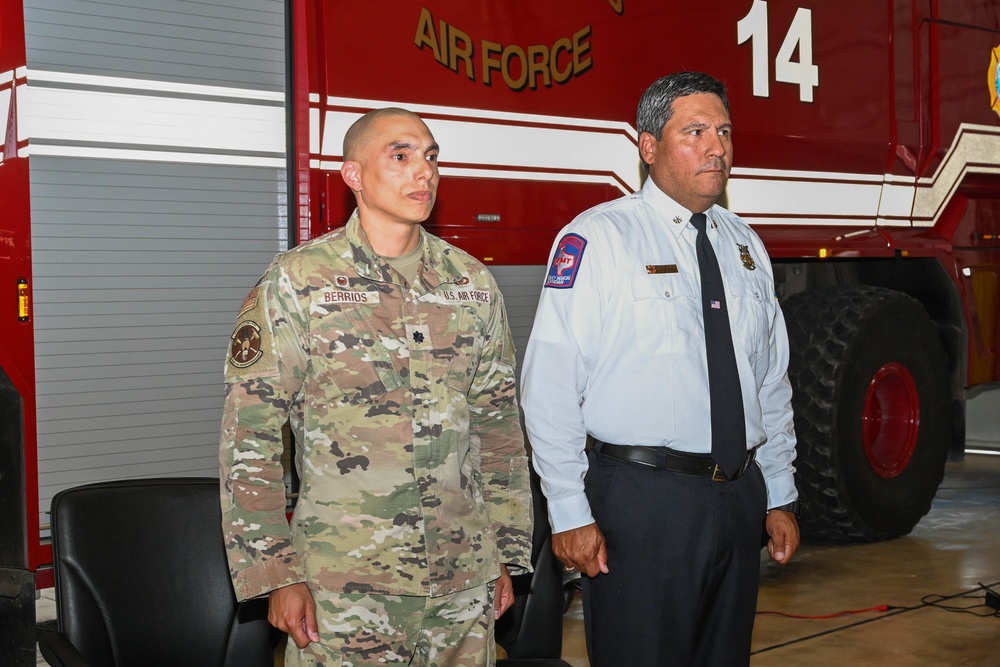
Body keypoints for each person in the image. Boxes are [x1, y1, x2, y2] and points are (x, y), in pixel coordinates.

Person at [219, 107, 532, 667]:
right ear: (353, 175)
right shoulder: (299, 281)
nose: (425, 172)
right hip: (344, 591)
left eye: (432, 156)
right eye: (401, 155)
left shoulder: (471, 283)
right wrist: (275, 574)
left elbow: (499, 428)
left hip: (463, 585)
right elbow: (252, 438)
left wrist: (504, 551)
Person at [520, 71, 800, 666]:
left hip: (737, 497)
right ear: (649, 147)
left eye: (723, 131)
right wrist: (569, 509)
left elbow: (770, 381)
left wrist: (779, 493)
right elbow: (548, 386)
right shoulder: (600, 238)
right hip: (643, 503)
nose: (717, 147)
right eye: (694, 131)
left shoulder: (744, 244)